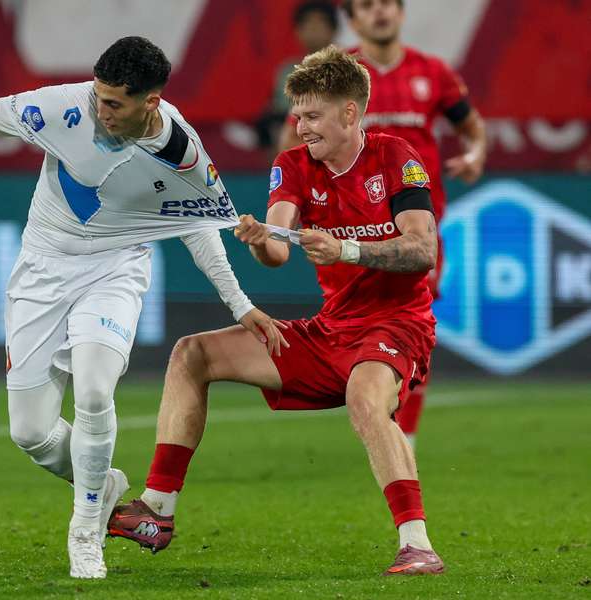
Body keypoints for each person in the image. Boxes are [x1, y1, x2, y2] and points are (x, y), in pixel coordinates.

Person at [0, 36, 286, 579]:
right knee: (31, 433)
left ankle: (85, 533)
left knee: (95, 390)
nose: (101, 109)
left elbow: (194, 224)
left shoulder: (182, 152)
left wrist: (241, 305)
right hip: (42, 271)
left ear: (152, 102)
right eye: (99, 95)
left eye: (115, 102)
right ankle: (104, 483)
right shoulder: (62, 108)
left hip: (115, 270)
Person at [108, 45, 445, 576]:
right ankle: (157, 508)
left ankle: (417, 544)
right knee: (192, 353)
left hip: (396, 326)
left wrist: (346, 250)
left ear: (349, 113)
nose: (301, 125)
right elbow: (278, 249)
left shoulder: (395, 156)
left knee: (365, 397)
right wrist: (258, 240)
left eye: (312, 115)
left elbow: (422, 250)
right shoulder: (291, 165)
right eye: (298, 114)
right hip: (329, 330)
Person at [278, 0, 487, 445]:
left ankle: (400, 432)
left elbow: (472, 127)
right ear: (353, 19)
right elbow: (294, 133)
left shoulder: (433, 73)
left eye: (388, 5)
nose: (380, 14)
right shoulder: (340, 75)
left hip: (415, 224)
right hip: (350, 224)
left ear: (401, 13)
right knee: (356, 320)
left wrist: (475, 155)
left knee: (414, 313)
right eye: (367, 7)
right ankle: (373, 406)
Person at [256, 1, 339, 155]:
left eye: (320, 23)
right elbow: (279, 117)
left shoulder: (349, 70)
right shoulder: (288, 72)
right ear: (297, 32)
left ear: (333, 30)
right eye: (307, 24)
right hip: (299, 151)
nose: (314, 29)